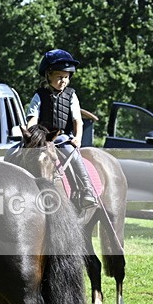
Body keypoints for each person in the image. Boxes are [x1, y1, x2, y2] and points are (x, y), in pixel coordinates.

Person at [26, 49, 98, 209]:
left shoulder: (71, 95)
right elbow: (32, 119)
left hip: (61, 137)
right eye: (59, 77)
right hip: (41, 138)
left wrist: (77, 138)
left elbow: (77, 120)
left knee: (73, 155)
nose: (63, 81)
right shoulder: (39, 96)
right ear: (48, 76)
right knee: (15, 152)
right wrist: (31, 136)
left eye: (66, 77)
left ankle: (87, 189)